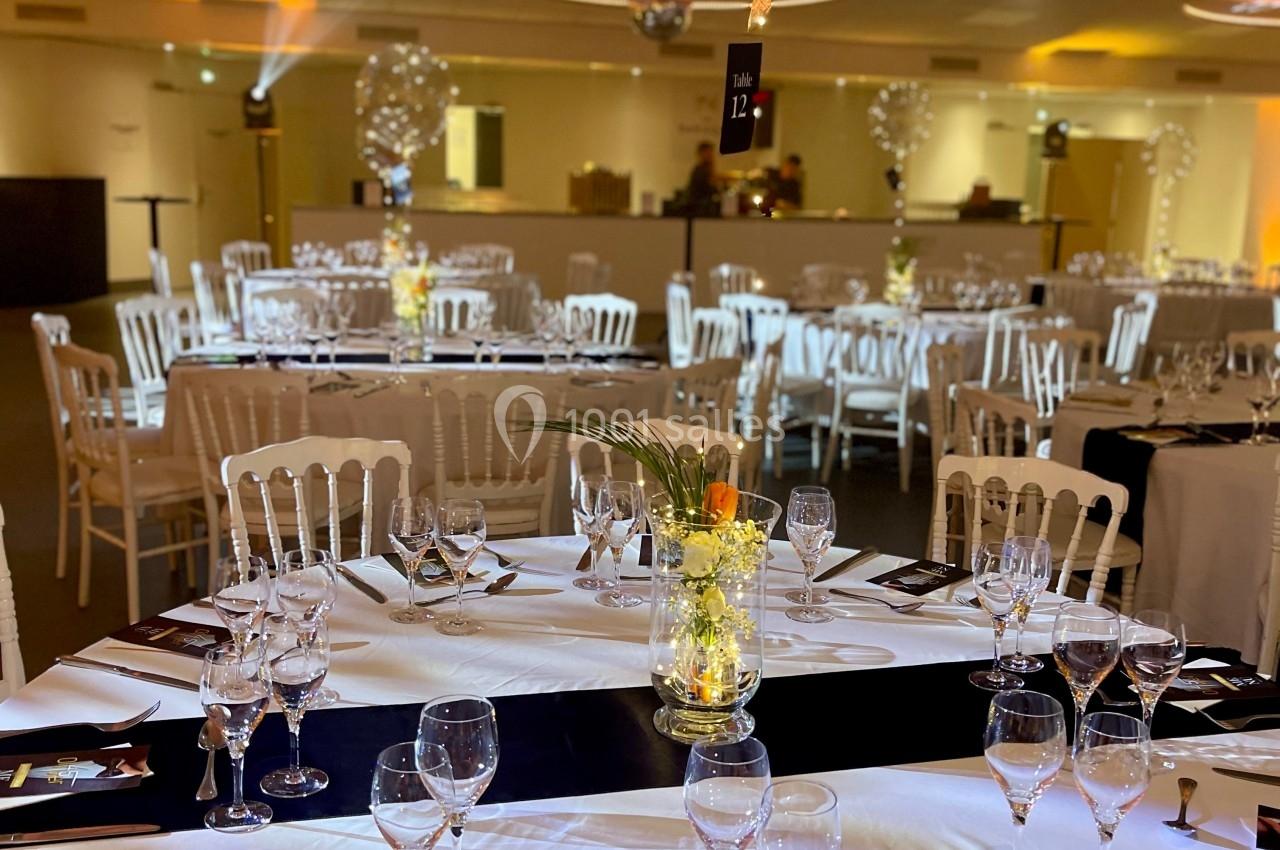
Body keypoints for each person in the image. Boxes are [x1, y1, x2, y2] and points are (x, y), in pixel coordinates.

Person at [685, 141, 719, 208]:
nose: (711, 155)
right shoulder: (700, 172)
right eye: (708, 152)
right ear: (701, 153)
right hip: (700, 208)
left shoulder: (703, 170)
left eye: (711, 152)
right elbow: (708, 190)